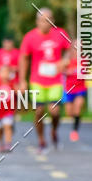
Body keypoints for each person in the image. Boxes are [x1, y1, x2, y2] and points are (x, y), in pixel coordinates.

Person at [18, 8, 71, 150]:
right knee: (39, 111)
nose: (45, 23)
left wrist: (64, 60)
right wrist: (22, 80)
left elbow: (71, 49)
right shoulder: (30, 37)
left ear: (52, 21)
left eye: (48, 20)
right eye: (42, 20)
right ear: (37, 22)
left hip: (55, 80)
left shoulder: (60, 34)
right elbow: (24, 58)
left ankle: (54, 130)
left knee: (54, 111)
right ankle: (41, 138)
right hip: (37, 80)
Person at [62, 41, 87, 142]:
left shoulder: (84, 59)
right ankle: (76, 119)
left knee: (77, 108)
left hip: (80, 88)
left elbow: (89, 71)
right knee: (69, 112)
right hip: (68, 89)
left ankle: (75, 131)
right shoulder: (67, 59)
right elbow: (60, 69)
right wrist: (67, 71)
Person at [0, 65, 15, 152]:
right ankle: (1, 143)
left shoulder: (12, 83)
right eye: (2, 72)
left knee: (7, 126)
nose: (5, 74)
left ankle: (8, 144)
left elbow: (18, 92)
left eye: (7, 72)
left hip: (8, 111)